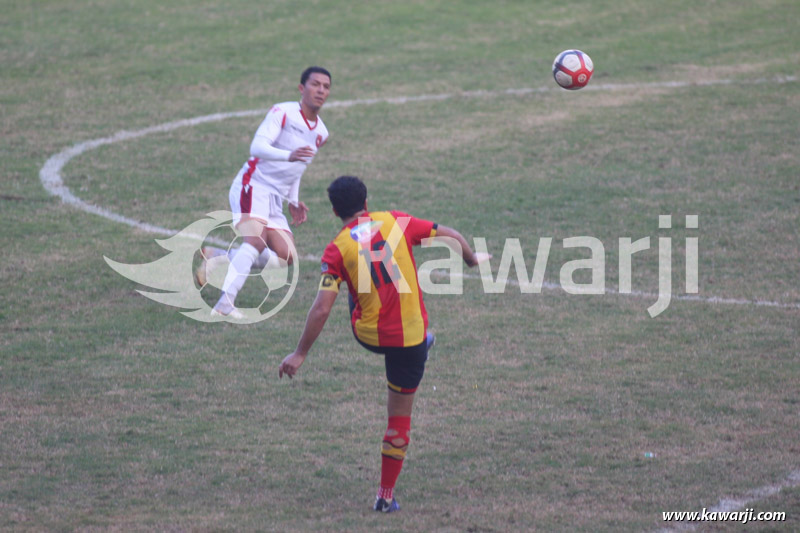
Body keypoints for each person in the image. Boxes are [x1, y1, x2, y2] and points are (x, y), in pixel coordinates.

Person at [278, 175, 490, 513]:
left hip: (370, 336)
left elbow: (321, 308)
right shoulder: (394, 221)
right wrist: (471, 260)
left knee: (355, 286)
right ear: (366, 203)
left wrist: (300, 352)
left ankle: (417, 341)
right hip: (410, 339)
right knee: (399, 419)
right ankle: (385, 497)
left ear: (335, 211)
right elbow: (450, 234)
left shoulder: (336, 249)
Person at [196, 66, 332, 318]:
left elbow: (298, 168)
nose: (321, 90)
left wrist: (293, 199)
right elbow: (257, 146)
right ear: (302, 88)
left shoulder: (321, 133)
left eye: (325, 86)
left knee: (285, 257)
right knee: (255, 242)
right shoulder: (283, 112)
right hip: (252, 185)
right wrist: (287, 155)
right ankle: (225, 303)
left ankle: (218, 258)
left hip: (275, 198)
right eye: (315, 84)